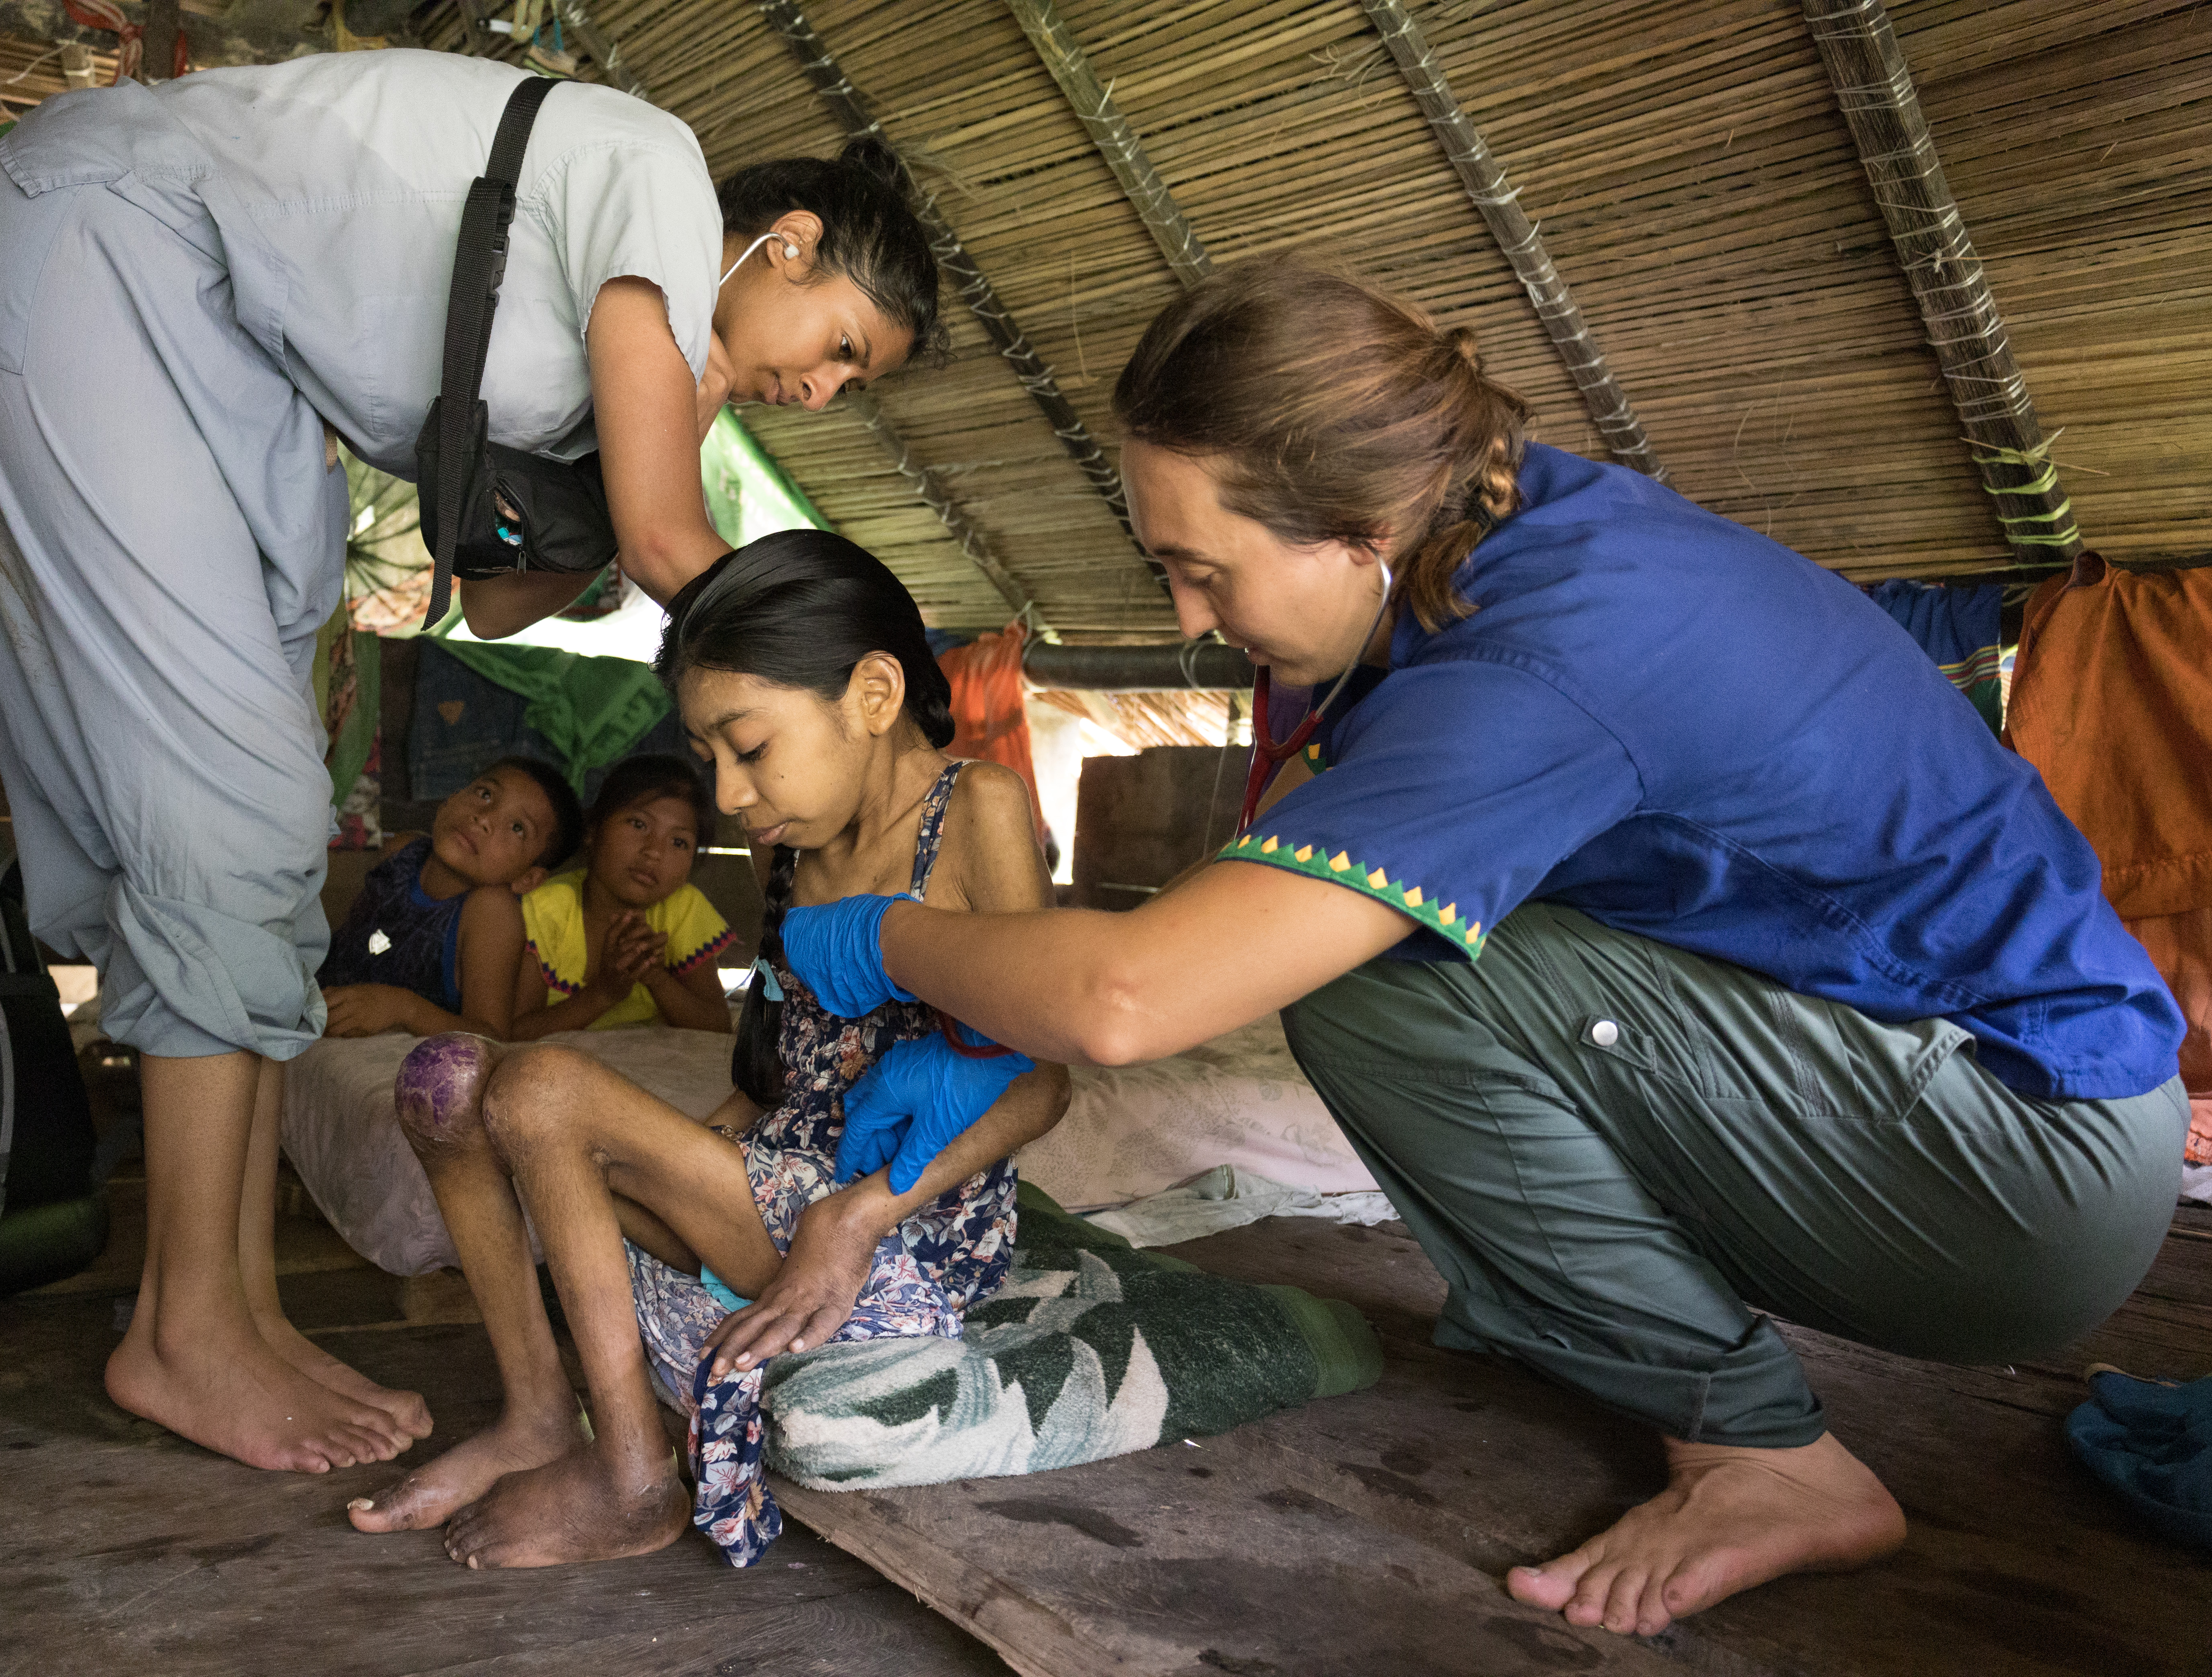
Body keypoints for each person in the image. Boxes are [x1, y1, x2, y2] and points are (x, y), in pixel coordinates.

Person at [766, 260, 2190, 1635]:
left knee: (1378, 988)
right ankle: (1588, 1308)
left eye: (1199, 570)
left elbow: (1133, 999)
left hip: (2014, 1185)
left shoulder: (1534, 659)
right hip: (2017, 1102)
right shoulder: (1527, 534)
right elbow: (1228, 904)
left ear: (1354, 532)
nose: (1188, 619)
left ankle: (1757, 1456)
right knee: (1368, 934)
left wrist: (885, 936)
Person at [0, 48, 946, 1474]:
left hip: (225, 362)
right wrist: (856, 698)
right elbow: (664, 548)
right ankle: (187, 1327)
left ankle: (229, 1306)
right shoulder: (654, 166)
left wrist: (677, 415)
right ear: (789, 241)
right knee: (240, 819)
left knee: (255, 835)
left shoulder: (628, 365)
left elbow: (499, 599)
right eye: (842, 346)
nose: (824, 393)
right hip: (111, 247)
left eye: (849, 387)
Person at [347, 531, 1070, 1568]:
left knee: (546, 1085)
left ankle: (635, 1478)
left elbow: (1040, 1079)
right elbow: (767, 1083)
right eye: (712, 759)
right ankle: (539, 1416)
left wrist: (857, 1213)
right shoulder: (793, 840)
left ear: (873, 693)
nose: (729, 795)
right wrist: (654, 1155)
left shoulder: (972, 811)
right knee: (452, 1082)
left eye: (749, 747)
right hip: (772, 1191)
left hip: (895, 1229)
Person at [318, 756, 583, 1040]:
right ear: (452, 798)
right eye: (485, 795)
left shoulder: (491, 912)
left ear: (528, 878)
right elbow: (358, 943)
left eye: (517, 827)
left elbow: (492, 1036)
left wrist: (403, 1009)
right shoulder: (402, 850)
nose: (484, 818)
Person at [510, 753, 735, 1037]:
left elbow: (717, 1028)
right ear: (593, 831)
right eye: (639, 825)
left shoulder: (683, 907)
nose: (654, 851)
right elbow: (515, 1034)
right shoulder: (544, 909)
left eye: (678, 842)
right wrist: (605, 992)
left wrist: (655, 977)